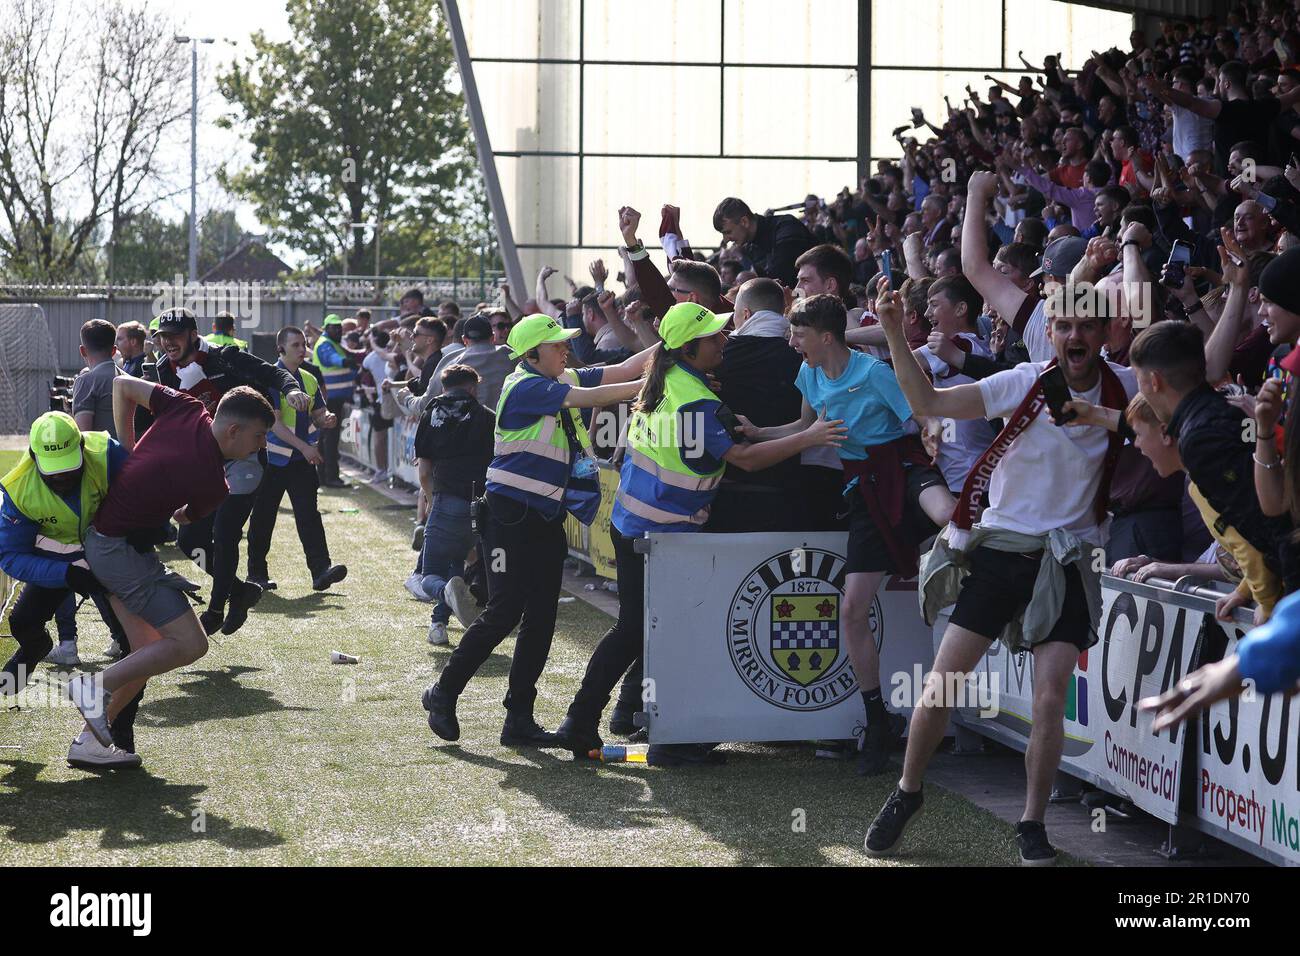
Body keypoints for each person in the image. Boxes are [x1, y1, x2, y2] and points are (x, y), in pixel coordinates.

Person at [866, 281, 1136, 865]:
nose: (1074, 336)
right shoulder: (1023, 381)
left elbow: (1176, 419)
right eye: (1063, 326)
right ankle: (908, 792)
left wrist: (1107, 415)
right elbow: (930, 404)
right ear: (1051, 333)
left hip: (1069, 560)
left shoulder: (1128, 388)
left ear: (1106, 332)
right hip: (1002, 552)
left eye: (1086, 326)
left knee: (1049, 700)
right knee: (942, 683)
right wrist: (892, 331)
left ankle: (1032, 823)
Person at [554, 302, 846, 766]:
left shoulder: (671, 382)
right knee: (661, 633)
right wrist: (808, 437)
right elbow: (745, 460)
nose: (724, 340)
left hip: (639, 527)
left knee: (636, 631)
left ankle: (586, 720)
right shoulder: (695, 399)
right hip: (663, 534)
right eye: (713, 337)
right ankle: (665, 739)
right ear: (689, 348)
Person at [421, 314, 655, 748]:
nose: (566, 348)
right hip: (510, 516)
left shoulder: (550, 375)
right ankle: (443, 693)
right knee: (506, 610)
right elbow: (604, 393)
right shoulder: (526, 385)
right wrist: (657, 379)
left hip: (542, 515)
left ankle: (519, 719)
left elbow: (624, 369)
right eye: (557, 344)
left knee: (542, 615)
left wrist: (667, 349)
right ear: (532, 354)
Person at [746, 292, 954, 774]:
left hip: (902, 470)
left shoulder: (874, 372)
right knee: (851, 610)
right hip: (862, 489)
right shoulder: (808, 374)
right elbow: (803, 427)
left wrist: (931, 431)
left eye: (798, 333)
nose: (791, 341)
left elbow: (920, 415)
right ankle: (877, 720)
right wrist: (758, 432)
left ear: (824, 336)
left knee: (946, 514)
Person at [67, 377, 274, 754]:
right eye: (260, 436)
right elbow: (185, 517)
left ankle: (89, 743)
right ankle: (93, 687)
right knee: (191, 644)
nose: (262, 444)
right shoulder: (215, 485)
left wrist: (129, 450)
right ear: (233, 430)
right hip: (119, 553)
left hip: (107, 544)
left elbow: (122, 385)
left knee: (145, 653)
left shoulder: (187, 406)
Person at [152, 307, 308, 636]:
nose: (167, 343)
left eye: (175, 336)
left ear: (194, 336)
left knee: (225, 534)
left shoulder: (225, 357)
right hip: (208, 460)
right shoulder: (164, 367)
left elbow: (272, 374)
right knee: (190, 538)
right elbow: (168, 415)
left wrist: (292, 390)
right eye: (163, 337)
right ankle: (239, 592)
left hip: (247, 456)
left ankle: (215, 608)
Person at [0, 412, 140, 768]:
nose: (62, 476)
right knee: (22, 623)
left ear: (81, 446)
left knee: (134, 647)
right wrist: (66, 574)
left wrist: (146, 530)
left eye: (69, 465)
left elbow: (144, 495)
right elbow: (10, 555)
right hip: (62, 562)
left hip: (112, 555)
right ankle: (37, 649)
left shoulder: (106, 453)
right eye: (53, 469)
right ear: (34, 458)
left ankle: (116, 739)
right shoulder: (18, 488)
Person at [390, 364, 495, 645]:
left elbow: (424, 473)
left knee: (429, 576)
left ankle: (442, 600)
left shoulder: (431, 414)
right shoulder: (487, 418)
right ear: (473, 387)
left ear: (444, 386)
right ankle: (438, 625)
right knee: (456, 570)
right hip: (479, 505)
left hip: (445, 499)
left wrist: (433, 501)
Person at [245, 326, 347, 594]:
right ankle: (256, 574)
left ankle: (321, 571)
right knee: (263, 518)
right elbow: (275, 425)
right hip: (273, 460)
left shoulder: (309, 378)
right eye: (296, 346)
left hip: (301, 460)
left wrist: (326, 419)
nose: (303, 350)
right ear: (280, 349)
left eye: (304, 344)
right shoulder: (270, 378)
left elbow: (319, 413)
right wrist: (306, 448)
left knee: (309, 516)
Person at [712, 196, 816, 286]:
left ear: (744, 222)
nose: (725, 240)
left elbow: (781, 280)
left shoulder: (786, 228)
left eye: (728, 232)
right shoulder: (751, 247)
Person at [313, 314, 363, 488]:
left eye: (338, 327)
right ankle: (330, 477)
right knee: (330, 439)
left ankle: (325, 476)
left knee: (328, 438)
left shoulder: (333, 342)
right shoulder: (326, 344)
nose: (337, 330)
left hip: (334, 398)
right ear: (326, 328)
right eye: (333, 327)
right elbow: (331, 359)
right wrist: (345, 361)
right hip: (330, 399)